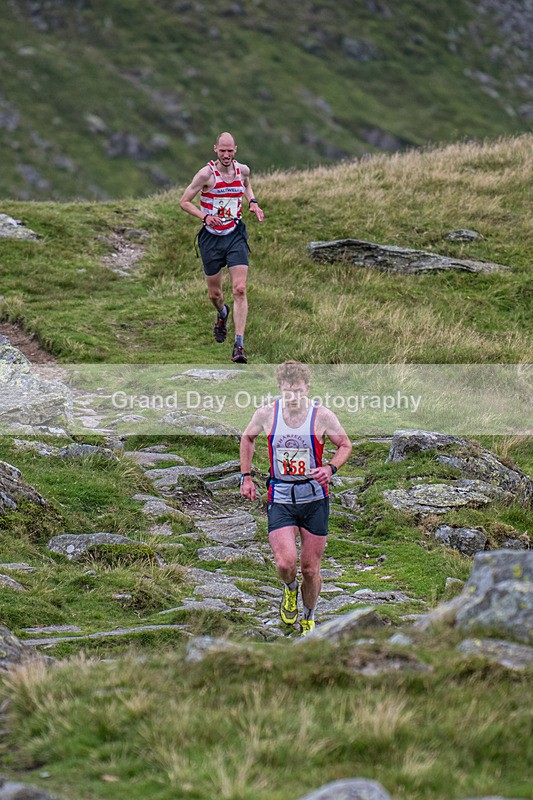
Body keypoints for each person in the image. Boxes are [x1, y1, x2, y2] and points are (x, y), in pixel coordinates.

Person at [239, 361, 353, 634]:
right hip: (280, 496)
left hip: (314, 499)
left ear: (307, 389)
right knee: (285, 563)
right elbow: (247, 438)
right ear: (280, 389)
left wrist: (330, 468)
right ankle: (290, 590)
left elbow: (345, 444)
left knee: (311, 569)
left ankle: (309, 617)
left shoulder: (322, 416)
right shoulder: (267, 414)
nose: (293, 397)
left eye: (298, 391)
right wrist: (245, 476)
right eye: (288, 391)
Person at [179, 132, 264, 364]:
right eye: (222, 151)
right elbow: (184, 202)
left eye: (230, 151)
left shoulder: (242, 170)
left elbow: (247, 184)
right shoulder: (206, 174)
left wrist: (253, 202)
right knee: (214, 294)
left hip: (235, 234)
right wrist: (204, 217)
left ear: (235, 150)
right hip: (211, 239)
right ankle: (222, 312)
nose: (226, 155)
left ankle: (239, 345)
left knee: (240, 289)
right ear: (215, 149)